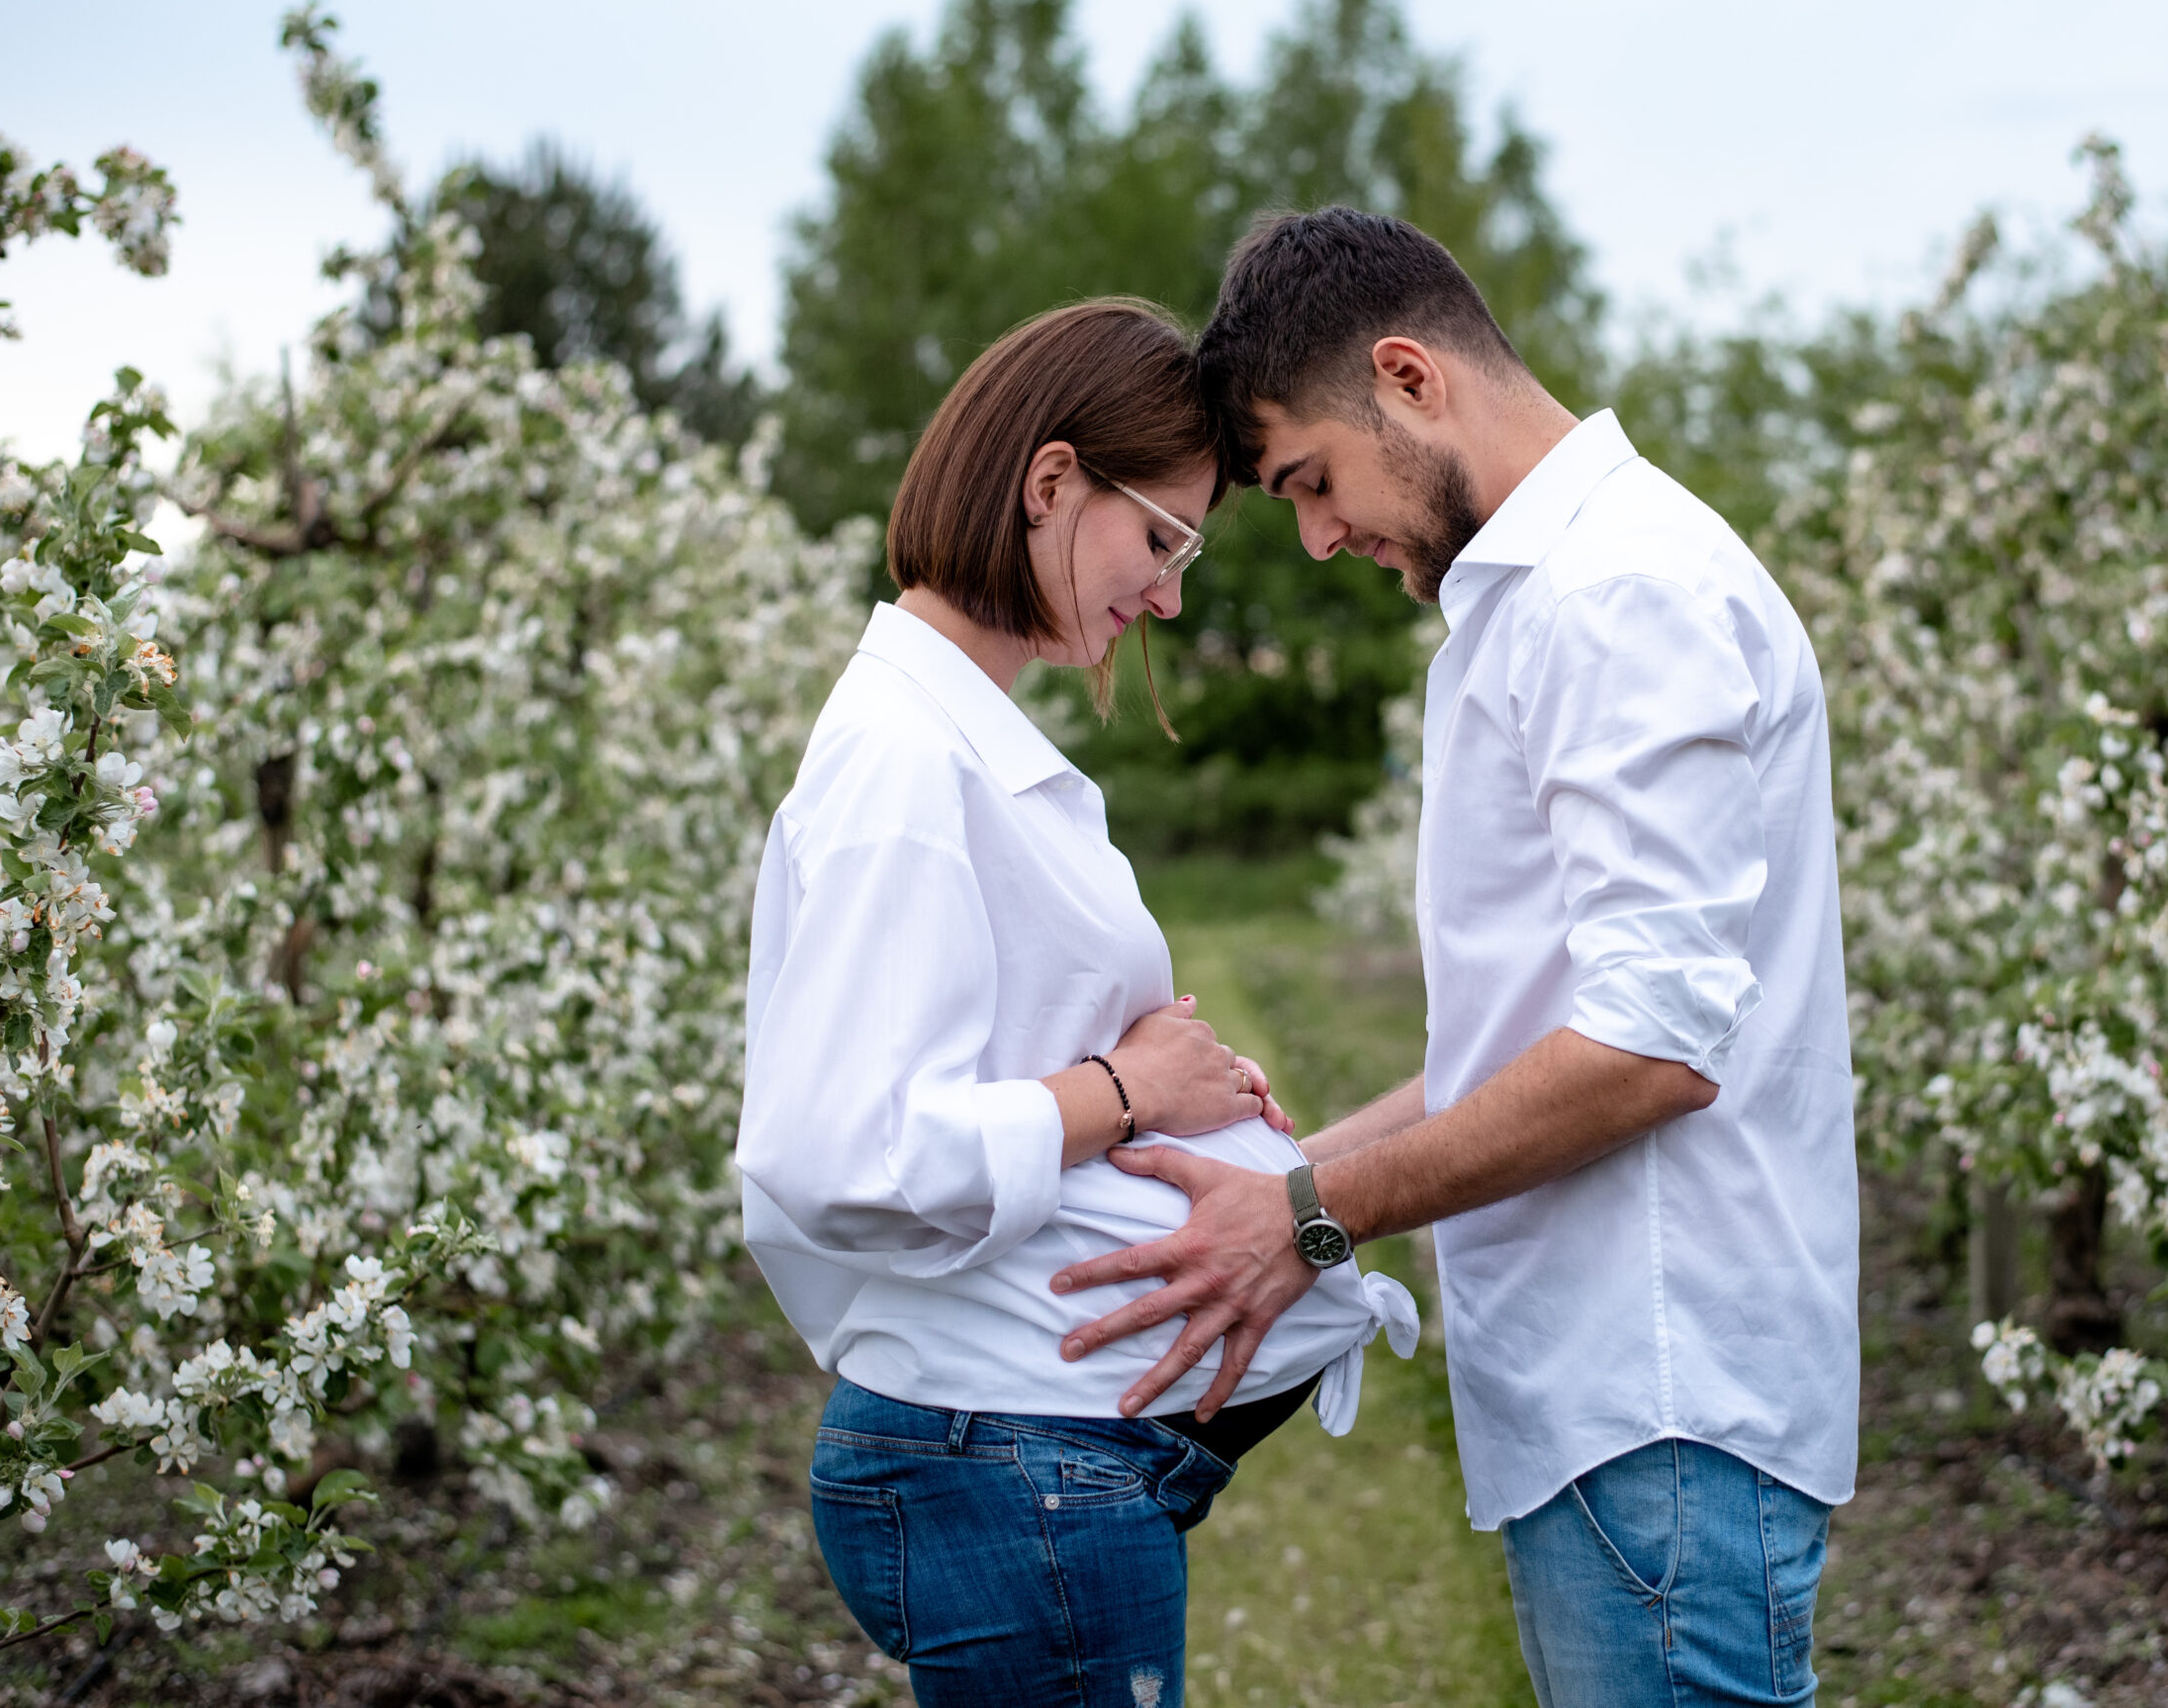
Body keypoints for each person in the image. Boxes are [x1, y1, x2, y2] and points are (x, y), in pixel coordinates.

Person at [1047, 214, 1858, 1707]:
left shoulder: (1619, 596)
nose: (1317, 535)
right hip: (1616, 1410)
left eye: (1309, 481)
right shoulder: (1554, 595)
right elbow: (1541, 1040)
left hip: (1660, 1406)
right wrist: (1264, 1182)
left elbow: (1647, 1051)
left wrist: (1303, 1218)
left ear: (1409, 378)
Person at [734, 298, 1415, 1707]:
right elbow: (840, 1154)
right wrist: (1130, 1096)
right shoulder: (905, 767)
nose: (1169, 593)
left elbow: (997, 1053)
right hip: (1014, 1469)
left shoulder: (955, 744)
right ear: (1052, 483)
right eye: (1161, 537)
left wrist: (1170, 1074)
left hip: (1036, 1465)